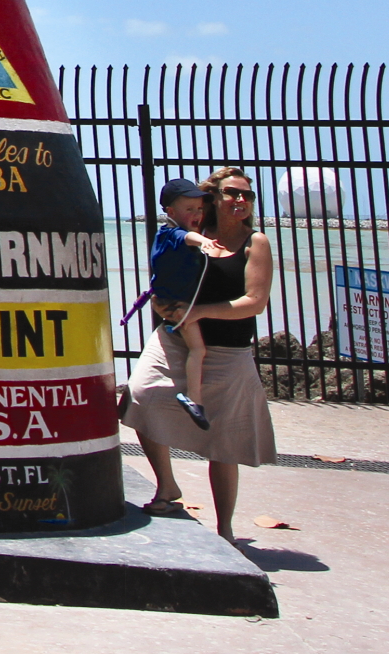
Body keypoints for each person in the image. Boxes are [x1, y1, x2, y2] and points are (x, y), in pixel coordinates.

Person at [122, 167, 276, 547]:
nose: (240, 200)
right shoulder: (194, 229)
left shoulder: (255, 242)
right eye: (231, 193)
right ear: (213, 198)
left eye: (247, 195)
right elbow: (166, 266)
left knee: (224, 443)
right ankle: (168, 487)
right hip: (175, 339)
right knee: (141, 395)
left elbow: (254, 302)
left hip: (229, 350)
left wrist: (200, 312)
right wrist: (161, 301)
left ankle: (225, 530)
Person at [150, 179, 220, 430]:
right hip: (179, 304)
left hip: (171, 300)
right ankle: (194, 398)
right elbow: (187, 237)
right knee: (197, 350)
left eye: (199, 209)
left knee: (193, 348)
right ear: (170, 211)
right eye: (189, 209)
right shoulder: (173, 233)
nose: (197, 214)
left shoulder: (163, 234)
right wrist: (204, 242)